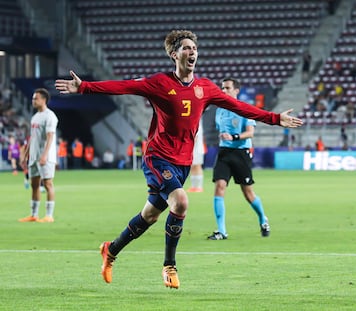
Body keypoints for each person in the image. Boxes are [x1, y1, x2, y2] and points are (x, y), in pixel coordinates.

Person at [55, 29, 303, 289]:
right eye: (186, 48)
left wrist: (275, 118)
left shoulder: (205, 88)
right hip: (158, 157)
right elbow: (123, 86)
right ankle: (169, 265)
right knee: (181, 201)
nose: (192, 51)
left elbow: (240, 107)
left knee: (149, 215)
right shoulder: (159, 83)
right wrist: (84, 87)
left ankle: (111, 249)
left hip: (182, 163)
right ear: (174, 55)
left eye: (194, 48)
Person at [208, 78, 270, 240]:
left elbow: (250, 133)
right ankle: (221, 231)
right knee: (219, 186)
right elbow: (221, 130)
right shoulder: (219, 110)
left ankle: (263, 218)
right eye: (222, 88)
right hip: (224, 152)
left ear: (236, 91)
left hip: (241, 152)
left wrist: (233, 136)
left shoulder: (244, 109)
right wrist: (225, 137)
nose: (224, 91)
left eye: (227, 88)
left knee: (248, 192)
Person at [18, 88, 58, 223]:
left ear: (43, 99)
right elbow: (32, 137)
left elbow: (50, 137)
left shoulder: (50, 116)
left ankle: (49, 215)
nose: (33, 101)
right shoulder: (35, 117)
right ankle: (34, 214)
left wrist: (44, 155)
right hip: (34, 157)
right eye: (33, 98)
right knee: (34, 184)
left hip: (45, 157)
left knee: (48, 183)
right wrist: (26, 154)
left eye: (36, 98)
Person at [187, 120, 205, 192]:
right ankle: (194, 186)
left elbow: (196, 136)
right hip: (193, 148)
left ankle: (199, 186)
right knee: (192, 166)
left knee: (197, 166)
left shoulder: (197, 123)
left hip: (197, 148)